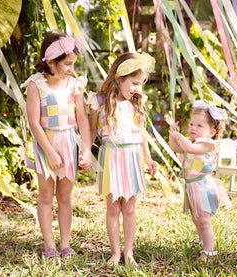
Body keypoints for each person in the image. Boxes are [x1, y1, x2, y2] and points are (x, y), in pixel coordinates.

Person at [21, 32, 92, 260]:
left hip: (68, 142)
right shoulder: (36, 85)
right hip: (46, 145)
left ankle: (65, 244)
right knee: (45, 195)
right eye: (67, 64)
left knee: (65, 195)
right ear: (50, 62)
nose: (71, 69)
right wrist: (50, 152)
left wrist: (87, 149)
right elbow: (34, 122)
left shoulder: (74, 85)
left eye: (73, 64)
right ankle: (49, 245)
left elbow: (81, 118)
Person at [87, 52, 157, 266]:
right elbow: (90, 131)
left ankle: (129, 253)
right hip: (111, 158)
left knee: (129, 208)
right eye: (135, 83)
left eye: (141, 83)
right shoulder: (99, 102)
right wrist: (85, 153)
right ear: (119, 78)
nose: (138, 88)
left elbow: (141, 131)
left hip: (132, 156)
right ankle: (115, 253)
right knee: (113, 208)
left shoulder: (136, 102)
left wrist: (148, 157)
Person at [165, 100, 227, 260]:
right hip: (192, 187)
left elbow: (190, 149)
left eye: (199, 126)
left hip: (203, 187)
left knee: (204, 220)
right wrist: (173, 134)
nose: (193, 127)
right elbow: (176, 147)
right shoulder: (191, 141)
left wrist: (179, 136)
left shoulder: (207, 144)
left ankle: (209, 250)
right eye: (192, 124)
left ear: (212, 132)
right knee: (196, 217)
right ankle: (201, 240)